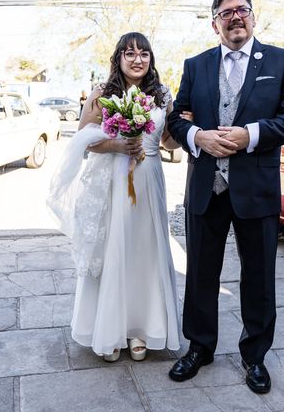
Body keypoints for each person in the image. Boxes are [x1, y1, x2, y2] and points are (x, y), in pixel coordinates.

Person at [166, 0, 284, 394]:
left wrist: (251, 135)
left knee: (259, 276)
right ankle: (200, 347)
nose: (235, 17)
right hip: (206, 187)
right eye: (225, 13)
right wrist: (197, 136)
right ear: (215, 24)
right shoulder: (196, 65)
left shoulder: (280, 61)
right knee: (201, 275)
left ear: (253, 18)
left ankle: (255, 356)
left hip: (256, 188)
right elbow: (177, 117)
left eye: (242, 9)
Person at [48, 32, 186, 362]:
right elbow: (84, 139)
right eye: (130, 53)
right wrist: (116, 144)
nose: (137, 59)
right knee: (114, 249)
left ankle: (141, 329)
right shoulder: (102, 94)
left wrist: (187, 128)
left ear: (151, 59)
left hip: (149, 179)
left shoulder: (162, 95)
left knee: (146, 250)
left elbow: (168, 142)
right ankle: (109, 330)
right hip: (113, 181)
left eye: (144, 54)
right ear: (119, 58)